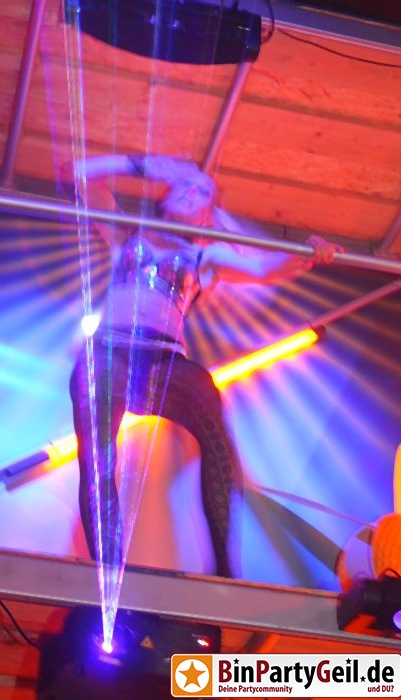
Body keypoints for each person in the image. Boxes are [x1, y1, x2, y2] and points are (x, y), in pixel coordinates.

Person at [65, 154, 341, 577]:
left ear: (208, 215)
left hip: (163, 361)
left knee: (214, 428)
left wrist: (308, 253)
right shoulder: (125, 234)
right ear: (166, 191)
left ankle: (224, 570)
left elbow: (263, 268)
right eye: (186, 185)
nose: (193, 193)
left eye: (203, 194)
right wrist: (144, 165)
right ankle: (106, 564)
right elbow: (81, 174)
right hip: (109, 351)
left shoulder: (204, 258)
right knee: (98, 456)